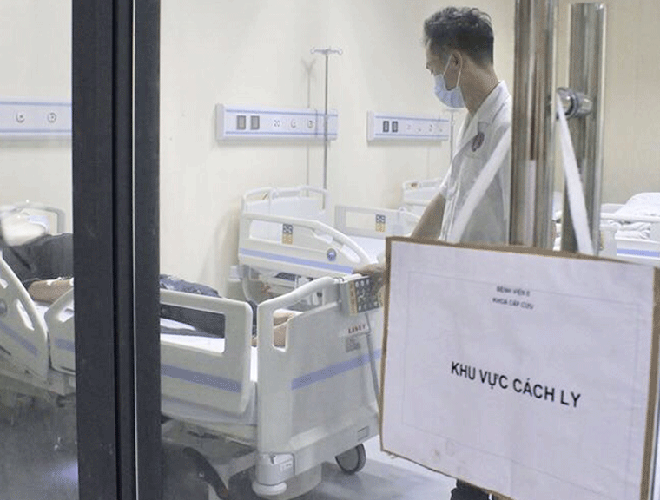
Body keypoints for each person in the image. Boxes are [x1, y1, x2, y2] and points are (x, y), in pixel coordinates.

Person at [359, 6, 512, 500]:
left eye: (433, 69)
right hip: (467, 301)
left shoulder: (513, 129)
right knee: (470, 415)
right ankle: (467, 491)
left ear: (455, 63)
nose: (435, 82)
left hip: (499, 306)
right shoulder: (476, 121)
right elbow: (445, 198)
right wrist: (395, 262)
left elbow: (526, 237)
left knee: (496, 421)